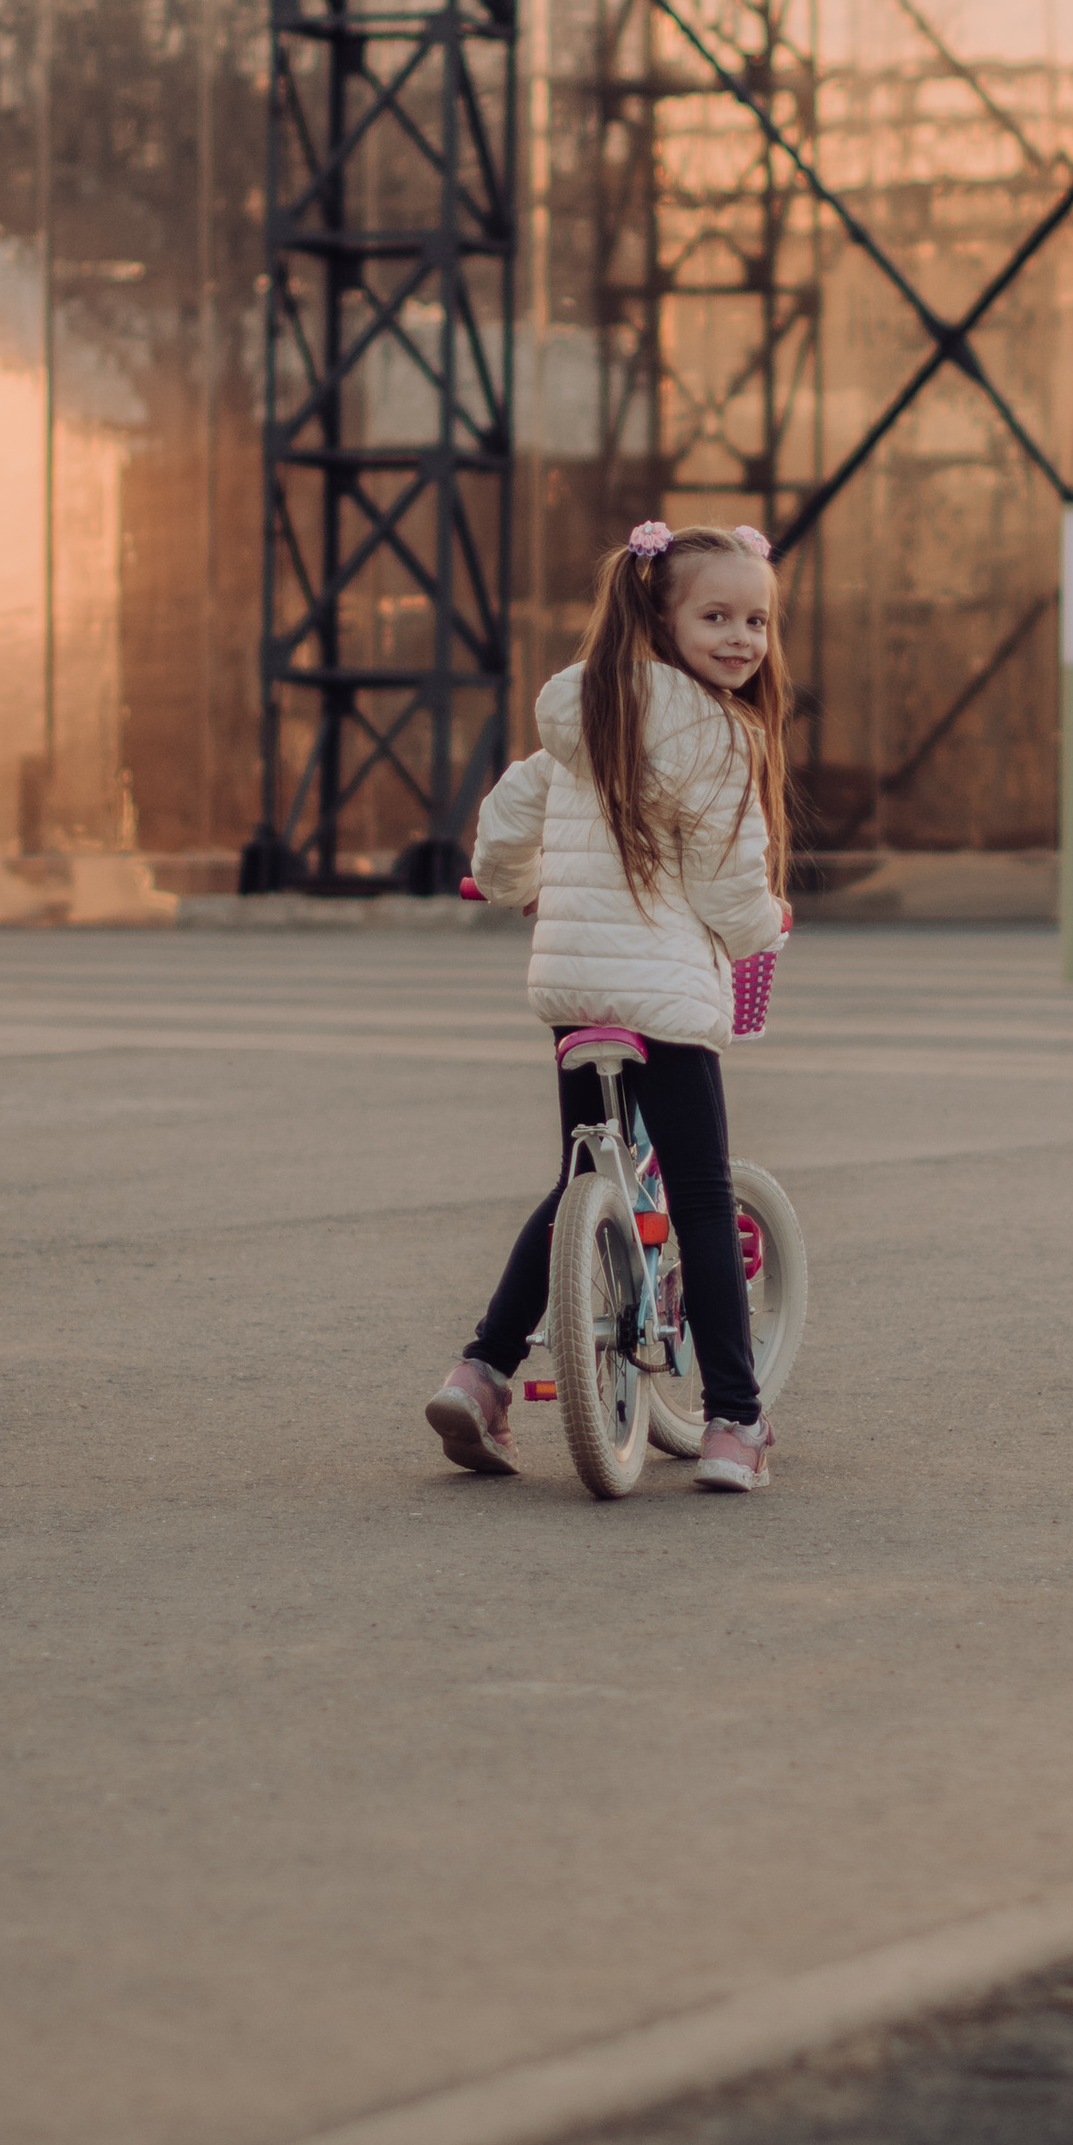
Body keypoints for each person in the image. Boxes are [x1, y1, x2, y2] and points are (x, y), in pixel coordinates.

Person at [425, 518, 791, 1496]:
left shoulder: (584, 712)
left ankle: (481, 1372)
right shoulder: (716, 733)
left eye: (755, 619)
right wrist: (763, 928)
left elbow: (509, 815)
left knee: (570, 1182)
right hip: (662, 996)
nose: (741, 638)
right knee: (703, 1196)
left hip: (573, 991)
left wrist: (510, 885)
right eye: (715, 615)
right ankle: (733, 1424)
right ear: (657, 615)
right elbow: (724, 880)